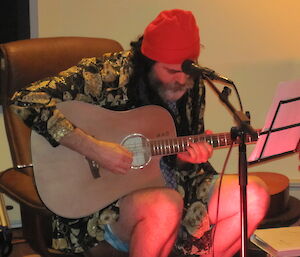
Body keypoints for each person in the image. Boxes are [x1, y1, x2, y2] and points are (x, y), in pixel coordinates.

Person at [10, 9, 269, 257]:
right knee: (166, 206)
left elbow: (174, 158)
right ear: (148, 62)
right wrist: (95, 149)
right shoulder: (107, 74)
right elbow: (25, 100)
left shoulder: (193, 83)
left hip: (179, 192)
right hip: (105, 205)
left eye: (186, 71)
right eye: (170, 71)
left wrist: (187, 158)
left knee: (254, 195)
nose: (181, 80)